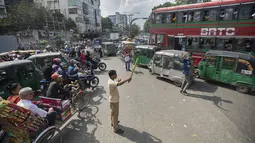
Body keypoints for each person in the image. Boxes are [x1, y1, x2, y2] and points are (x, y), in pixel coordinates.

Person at [108, 70, 131, 134]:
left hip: (112, 100)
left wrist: (118, 81)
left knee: (113, 113)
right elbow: (119, 84)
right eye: (115, 74)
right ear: (112, 75)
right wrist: (127, 79)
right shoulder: (111, 82)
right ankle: (116, 129)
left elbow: (116, 84)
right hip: (114, 101)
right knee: (115, 115)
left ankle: (112, 123)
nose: (116, 75)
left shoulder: (111, 81)